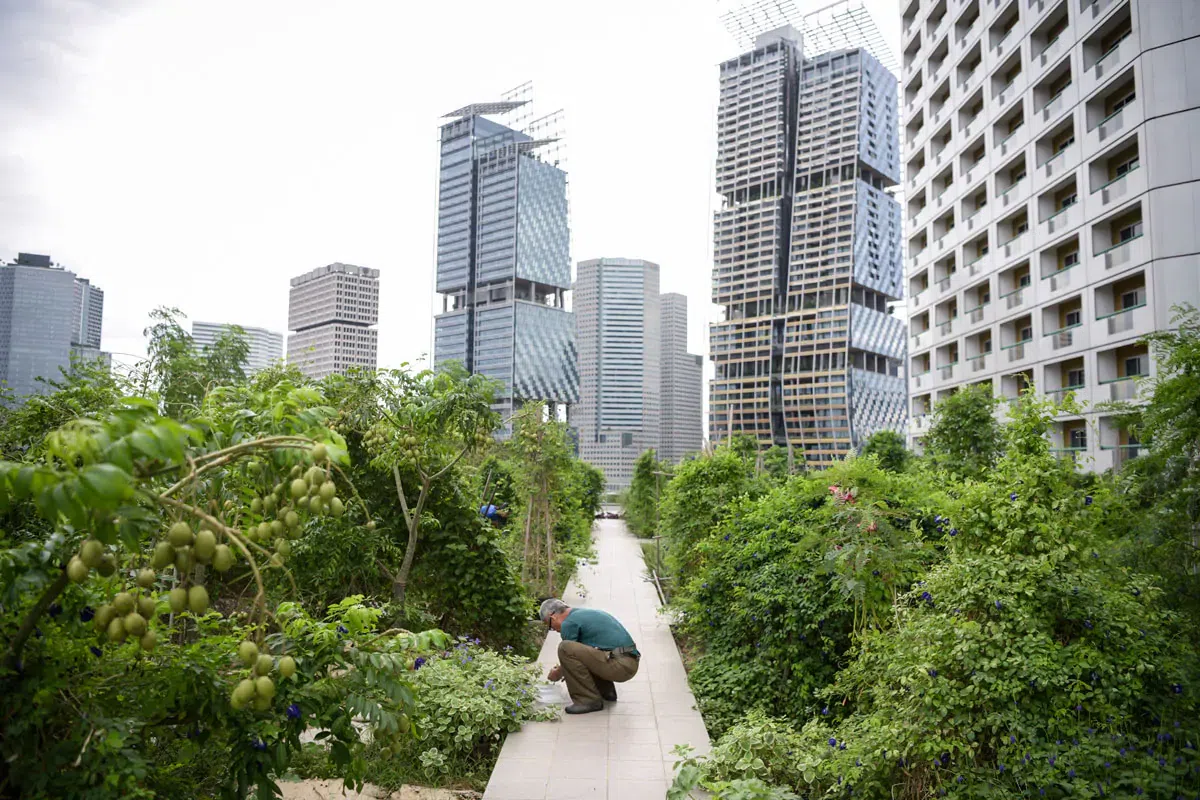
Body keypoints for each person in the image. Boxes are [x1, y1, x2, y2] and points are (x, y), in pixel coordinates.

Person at [539, 597, 640, 714]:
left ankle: (587, 700)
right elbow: (584, 653)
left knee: (564, 648)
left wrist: (558, 672)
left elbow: (568, 655)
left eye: (550, 626)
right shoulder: (582, 614)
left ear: (553, 617)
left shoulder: (568, 623)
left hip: (620, 666)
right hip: (629, 662)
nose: (554, 630)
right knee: (584, 650)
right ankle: (606, 691)